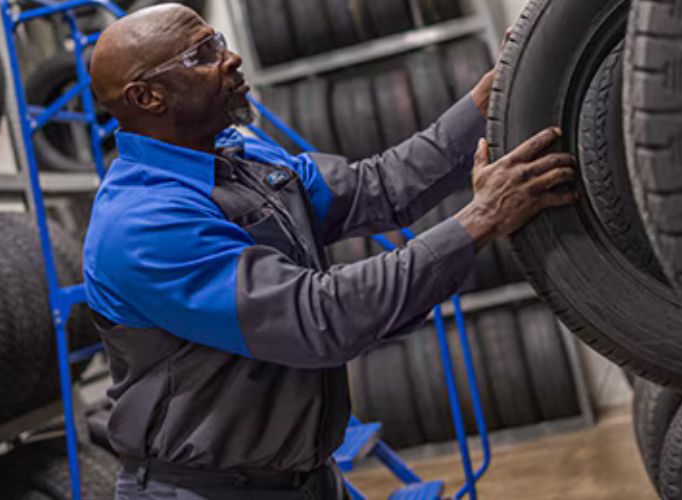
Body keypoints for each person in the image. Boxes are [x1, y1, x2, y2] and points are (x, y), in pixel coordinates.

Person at [84, 3, 577, 499]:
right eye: (203, 54)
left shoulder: (242, 156)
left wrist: (488, 99)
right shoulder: (142, 225)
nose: (231, 58)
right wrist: (480, 219)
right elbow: (318, 318)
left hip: (308, 479)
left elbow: (381, 187)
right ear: (146, 96)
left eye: (218, 40)